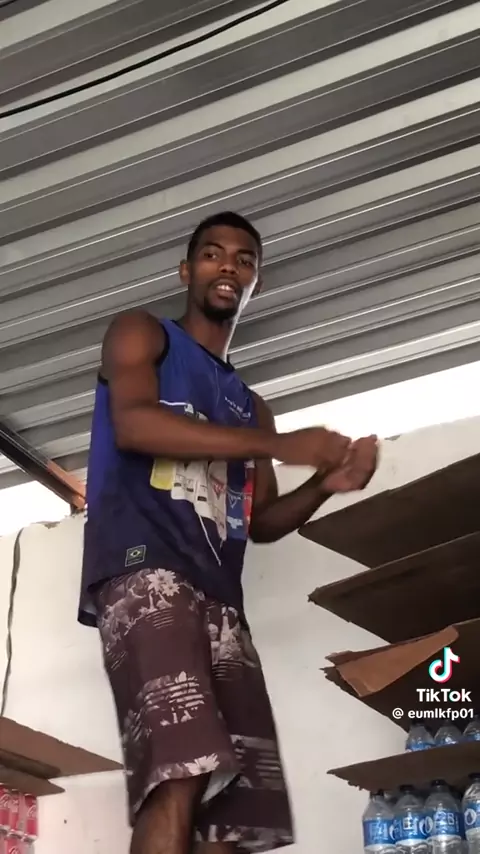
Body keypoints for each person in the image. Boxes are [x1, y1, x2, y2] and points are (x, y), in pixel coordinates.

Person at [78, 211, 378, 854]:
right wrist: (281, 445)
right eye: (213, 254)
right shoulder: (142, 332)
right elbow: (134, 425)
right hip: (145, 571)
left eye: (245, 260)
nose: (228, 267)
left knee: (235, 815)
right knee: (179, 775)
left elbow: (260, 521)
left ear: (255, 282)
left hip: (220, 598)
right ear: (186, 271)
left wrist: (326, 483)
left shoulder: (250, 405)